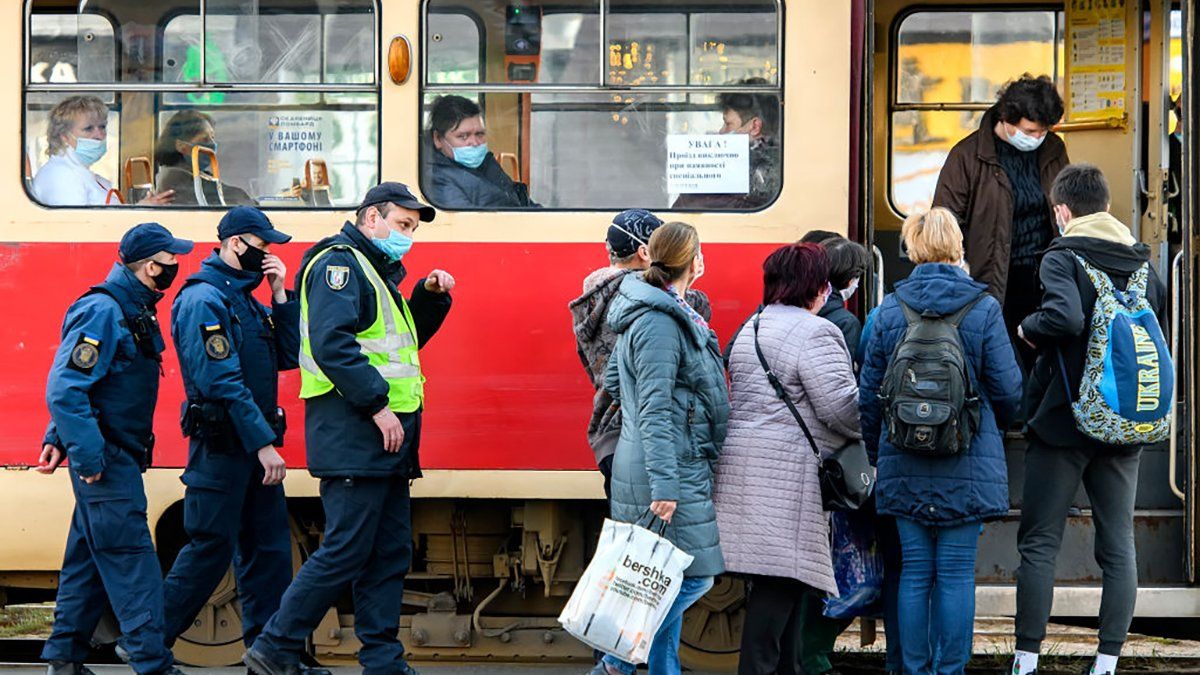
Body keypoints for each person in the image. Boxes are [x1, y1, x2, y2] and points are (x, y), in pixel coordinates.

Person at [244, 183, 454, 675]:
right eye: (402, 224)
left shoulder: (375, 271)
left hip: (385, 441)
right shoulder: (339, 266)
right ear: (371, 218)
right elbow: (332, 346)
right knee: (346, 549)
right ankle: (274, 647)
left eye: (413, 229)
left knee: (388, 553)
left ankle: (382, 660)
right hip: (356, 432)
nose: (408, 236)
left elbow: (401, 345)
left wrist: (428, 298)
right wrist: (377, 406)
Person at [1010, 165, 1167, 675]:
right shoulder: (1143, 263)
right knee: (1118, 545)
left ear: (1061, 211)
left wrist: (1028, 328)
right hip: (1124, 423)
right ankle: (1106, 662)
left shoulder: (1062, 256)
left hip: (1064, 423)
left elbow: (1065, 317)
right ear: (1106, 206)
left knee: (1040, 542)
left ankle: (1026, 660)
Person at [859, 207, 1022, 675]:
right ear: (958, 247)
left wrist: (879, 454)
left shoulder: (890, 309)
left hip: (903, 458)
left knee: (914, 572)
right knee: (954, 573)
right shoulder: (983, 308)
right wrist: (986, 427)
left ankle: (914, 669)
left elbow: (870, 397)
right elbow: (1009, 391)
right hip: (966, 459)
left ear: (913, 249)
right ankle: (950, 670)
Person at [159, 206, 319, 665]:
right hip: (223, 446)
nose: (267, 254)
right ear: (234, 243)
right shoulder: (204, 299)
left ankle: (271, 654)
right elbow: (222, 382)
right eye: (261, 245)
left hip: (248, 444)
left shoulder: (244, 298)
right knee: (210, 549)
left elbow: (288, 355)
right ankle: (148, 641)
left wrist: (280, 294)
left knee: (267, 552)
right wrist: (263, 444)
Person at [36, 222, 194, 675]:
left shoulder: (131, 306)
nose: (175, 267)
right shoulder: (104, 310)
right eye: (170, 260)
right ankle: (152, 662)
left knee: (88, 561)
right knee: (131, 559)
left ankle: (64, 658)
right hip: (106, 458)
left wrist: (57, 438)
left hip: (110, 453)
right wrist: (86, 455)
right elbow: (67, 388)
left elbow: (95, 385)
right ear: (150, 266)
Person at [713, 243, 860, 675]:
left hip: (748, 470)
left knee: (786, 587)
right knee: (777, 592)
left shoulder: (754, 325)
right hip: (787, 478)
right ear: (815, 287)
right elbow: (841, 409)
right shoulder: (816, 332)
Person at [591, 221, 729, 675]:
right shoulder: (660, 322)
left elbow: (615, 380)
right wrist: (666, 484)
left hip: (660, 458)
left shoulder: (658, 311)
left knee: (662, 578)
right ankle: (614, 663)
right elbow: (653, 409)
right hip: (666, 467)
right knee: (694, 578)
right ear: (692, 262)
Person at [568, 209, 711, 502]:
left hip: (608, 432)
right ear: (645, 252)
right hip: (641, 440)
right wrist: (687, 277)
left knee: (628, 526)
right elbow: (697, 312)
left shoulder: (593, 297)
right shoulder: (641, 297)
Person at [932, 74, 1069, 370]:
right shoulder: (967, 156)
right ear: (1007, 119)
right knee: (997, 364)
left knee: (1042, 365)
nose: (1037, 138)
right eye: (1030, 130)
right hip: (989, 277)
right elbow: (944, 221)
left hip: (1046, 276)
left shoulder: (1054, 149)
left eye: (1044, 131)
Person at [32, 96, 174, 206]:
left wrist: (141, 208)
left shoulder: (78, 172)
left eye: (102, 127)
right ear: (64, 136)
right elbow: (81, 227)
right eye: (88, 129)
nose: (99, 135)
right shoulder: (61, 177)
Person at [673, 78, 781, 210]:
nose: (721, 131)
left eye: (728, 124)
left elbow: (688, 207)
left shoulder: (730, 168)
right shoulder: (781, 162)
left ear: (755, 126)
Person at [422, 95, 537, 209]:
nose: (475, 142)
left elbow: (519, 201)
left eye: (479, 134)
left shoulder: (487, 164)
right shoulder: (436, 179)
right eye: (463, 136)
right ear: (438, 139)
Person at [155, 110, 255, 206]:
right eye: (205, 139)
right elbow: (223, 197)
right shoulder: (175, 177)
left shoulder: (197, 173)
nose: (212, 144)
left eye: (212, 138)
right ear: (181, 146)